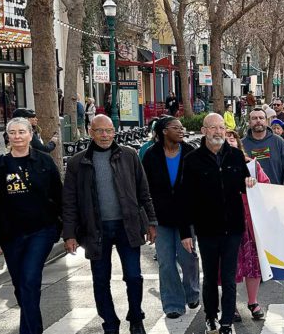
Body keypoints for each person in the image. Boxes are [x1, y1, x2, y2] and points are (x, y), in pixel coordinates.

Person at [62, 114, 157, 334]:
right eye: (99, 131)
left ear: (114, 132)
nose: (105, 135)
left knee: (134, 276)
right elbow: (69, 201)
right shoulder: (78, 162)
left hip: (128, 225)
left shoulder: (129, 155)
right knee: (100, 280)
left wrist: (151, 221)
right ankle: (110, 323)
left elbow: (144, 191)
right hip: (95, 229)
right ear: (90, 132)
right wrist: (69, 234)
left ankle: (136, 317)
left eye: (109, 130)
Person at [179, 113, 257, 334]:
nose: (218, 132)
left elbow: (244, 186)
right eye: (213, 128)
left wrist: (250, 182)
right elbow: (185, 199)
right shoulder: (192, 160)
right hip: (207, 230)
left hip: (233, 229)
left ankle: (226, 321)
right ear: (204, 131)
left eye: (222, 128)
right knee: (211, 277)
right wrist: (186, 232)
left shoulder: (235, 156)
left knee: (230, 278)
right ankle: (211, 317)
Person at [0, 117, 62, 334]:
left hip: (41, 231)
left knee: (30, 279)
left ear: (30, 135)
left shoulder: (44, 162)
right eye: (12, 133)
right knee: (21, 286)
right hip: (10, 234)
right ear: (7, 137)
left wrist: (66, 229)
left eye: (22, 132)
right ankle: (33, 325)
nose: (17, 136)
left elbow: (59, 196)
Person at [141, 117, 200, 319]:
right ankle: (173, 304)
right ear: (164, 131)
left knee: (188, 258)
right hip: (161, 218)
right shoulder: (151, 155)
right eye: (176, 128)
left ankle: (192, 292)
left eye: (182, 127)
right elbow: (144, 189)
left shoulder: (191, 152)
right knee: (166, 262)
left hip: (188, 217)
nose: (181, 130)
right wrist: (148, 220)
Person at [224, 129, 269, 322]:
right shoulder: (217, 165)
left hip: (250, 224)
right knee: (229, 266)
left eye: (233, 137)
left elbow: (267, 187)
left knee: (253, 264)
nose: (230, 140)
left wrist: (255, 184)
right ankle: (230, 304)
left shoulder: (252, 165)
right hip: (227, 224)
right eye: (226, 138)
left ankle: (253, 302)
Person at [242, 108, 284, 184]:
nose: (258, 120)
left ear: (266, 121)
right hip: (251, 193)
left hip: (275, 192)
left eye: (261, 118)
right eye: (254, 118)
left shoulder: (279, 142)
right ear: (249, 122)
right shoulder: (241, 144)